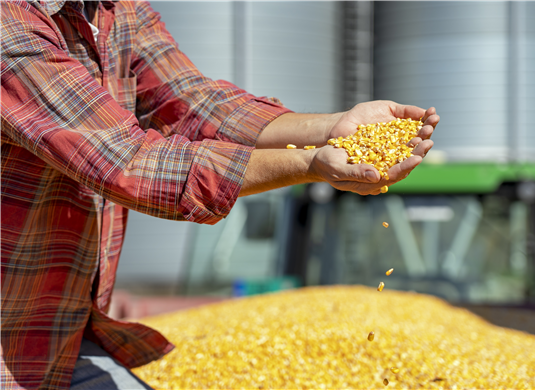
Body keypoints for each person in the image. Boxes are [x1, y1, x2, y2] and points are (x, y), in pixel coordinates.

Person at [0, 0, 439, 388]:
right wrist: (309, 164)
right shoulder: (9, 24)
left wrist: (332, 128)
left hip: (56, 337)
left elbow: (190, 101)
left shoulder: (115, 9)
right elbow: (128, 162)